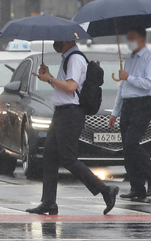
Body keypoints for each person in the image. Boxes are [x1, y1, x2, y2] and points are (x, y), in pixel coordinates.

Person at [26, 39, 119, 215]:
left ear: (69, 40)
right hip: (61, 113)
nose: (56, 42)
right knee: (50, 157)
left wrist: (50, 78)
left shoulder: (75, 58)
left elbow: (71, 87)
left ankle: (106, 190)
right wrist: (48, 78)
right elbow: (66, 87)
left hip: (71, 114)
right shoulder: (67, 58)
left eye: (59, 40)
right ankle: (48, 202)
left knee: (68, 158)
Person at [109, 27, 151, 200]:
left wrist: (128, 77)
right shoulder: (129, 60)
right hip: (128, 105)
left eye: (132, 38)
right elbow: (122, 88)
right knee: (127, 149)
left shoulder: (150, 58)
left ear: (141, 39)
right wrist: (115, 112)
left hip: (142, 104)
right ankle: (136, 187)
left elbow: (149, 83)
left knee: (132, 143)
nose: (129, 41)